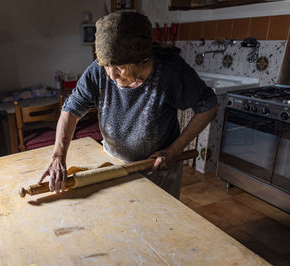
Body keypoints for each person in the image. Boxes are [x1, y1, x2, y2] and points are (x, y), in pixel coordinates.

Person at [38, 11, 217, 199]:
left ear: (142, 59)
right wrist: (58, 156)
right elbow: (71, 109)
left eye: (119, 68)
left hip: (157, 168)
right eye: (107, 66)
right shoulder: (100, 70)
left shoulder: (170, 71)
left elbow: (208, 105)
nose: (111, 75)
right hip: (113, 162)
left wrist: (175, 149)